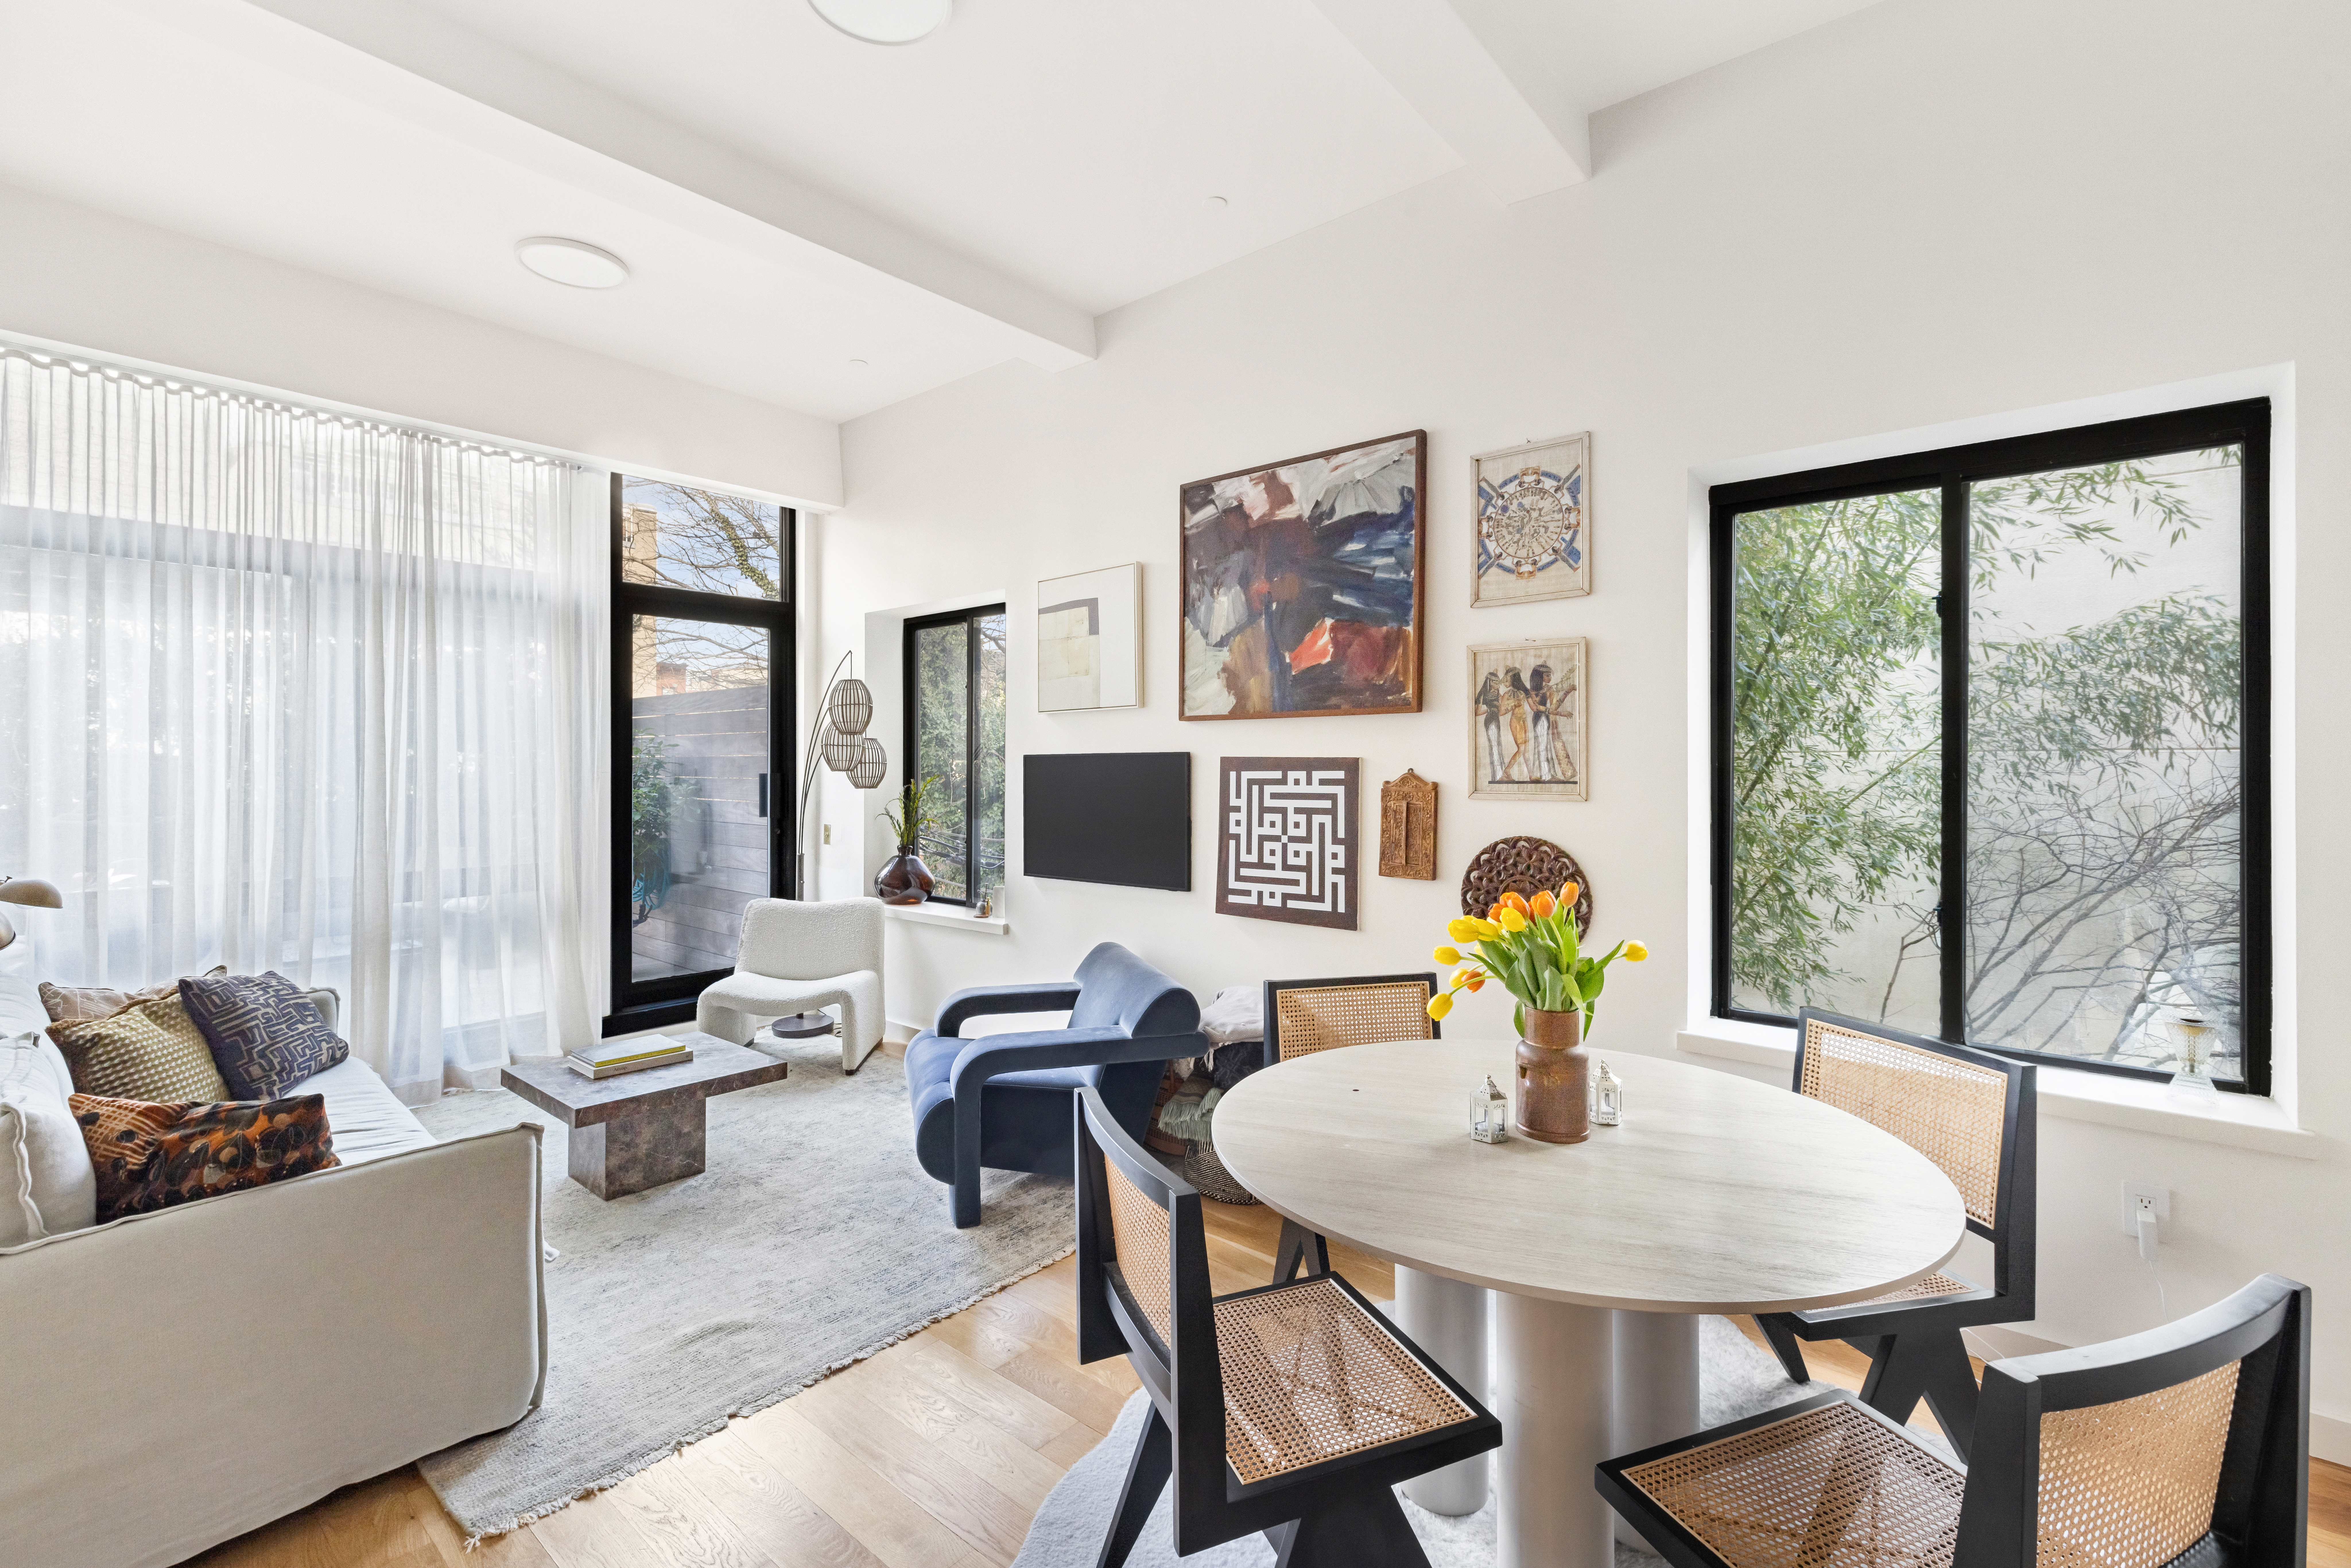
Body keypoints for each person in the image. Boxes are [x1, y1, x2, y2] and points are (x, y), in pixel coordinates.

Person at [1526, 663, 1559, 781]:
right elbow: (1535, 707)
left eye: (1550, 676)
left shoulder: (1550, 689)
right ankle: (1545, 776)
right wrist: (1544, 693)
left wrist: (1555, 695)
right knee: (1542, 746)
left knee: (1545, 746)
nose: (1550, 678)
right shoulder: (1531, 691)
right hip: (1539, 719)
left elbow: (1554, 707)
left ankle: (1548, 774)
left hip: (1545, 718)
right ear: (1540, 677)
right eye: (1547, 675)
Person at [1502, 669, 1534, 780]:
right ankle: (1507, 770)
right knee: (1521, 749)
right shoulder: (1507, 694)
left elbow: (1533, 707)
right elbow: (1501, 713)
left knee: (1526, 751)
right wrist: (1514, 706)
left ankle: (1531, 776)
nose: (1506, 682)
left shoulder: (1524, 691)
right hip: (1515, 721)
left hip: (1524, 721)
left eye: (1508, 679)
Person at [1477, 668, 1506, 781]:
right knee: (1495, 746)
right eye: (1496, 682)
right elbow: (1477, 713)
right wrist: (1489, 710)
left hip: (1496, 720)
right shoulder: (1484, 695)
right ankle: (1498, 776)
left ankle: (1501, 775)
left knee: (1498, 746)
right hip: (1490, 720)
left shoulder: (1498, 694)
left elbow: (1502, 707)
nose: (1498, 684)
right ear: (1491, 683)